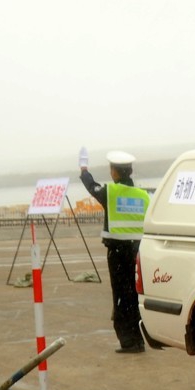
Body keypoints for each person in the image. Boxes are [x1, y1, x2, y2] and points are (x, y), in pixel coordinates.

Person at [79, 149, 150, 354]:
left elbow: (92, 187)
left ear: (115, 172)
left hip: (118, 253)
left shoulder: (110, 192)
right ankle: (139, 339)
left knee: (121, 297)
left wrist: (84, 170)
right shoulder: (143, 195)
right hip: (138, 252)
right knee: (135, 296)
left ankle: (128, 341)